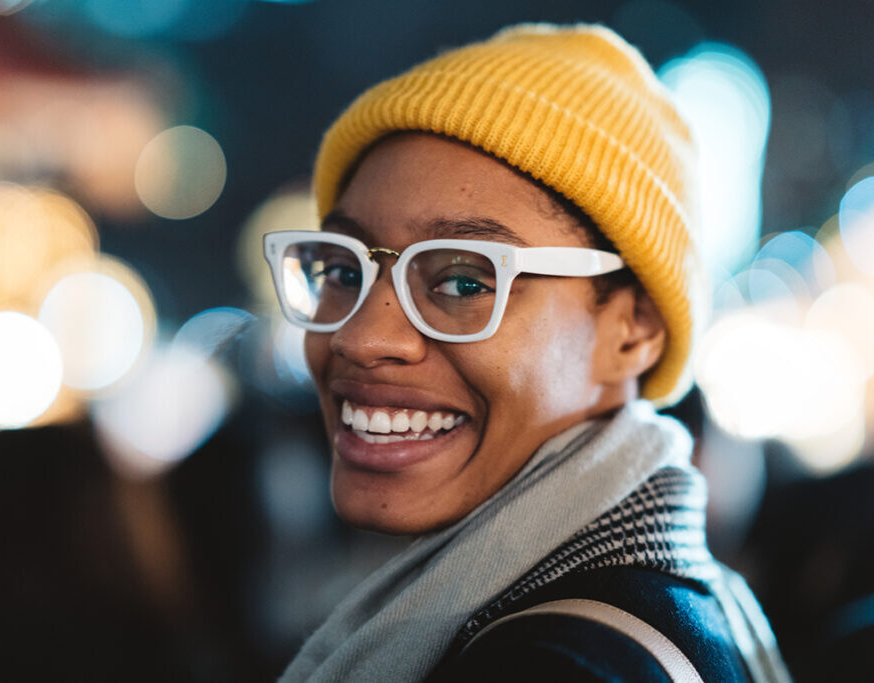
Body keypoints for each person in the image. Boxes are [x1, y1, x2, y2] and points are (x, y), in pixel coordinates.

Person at [264, 23, 789, 682]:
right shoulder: (683, 603)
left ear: (634, 327)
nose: (362, 337)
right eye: (343, 271)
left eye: (463, 281)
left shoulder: (559, 662)